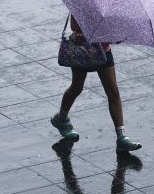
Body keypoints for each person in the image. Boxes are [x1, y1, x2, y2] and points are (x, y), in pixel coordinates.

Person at [50, 14, 142, 152]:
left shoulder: (108, 4)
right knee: (77, 87)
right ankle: (61, 119)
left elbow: (112, 29)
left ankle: (121, 137)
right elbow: (75, 25)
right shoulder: (81, 1)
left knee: (113, 91)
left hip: (103, 51)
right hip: (84, 50)